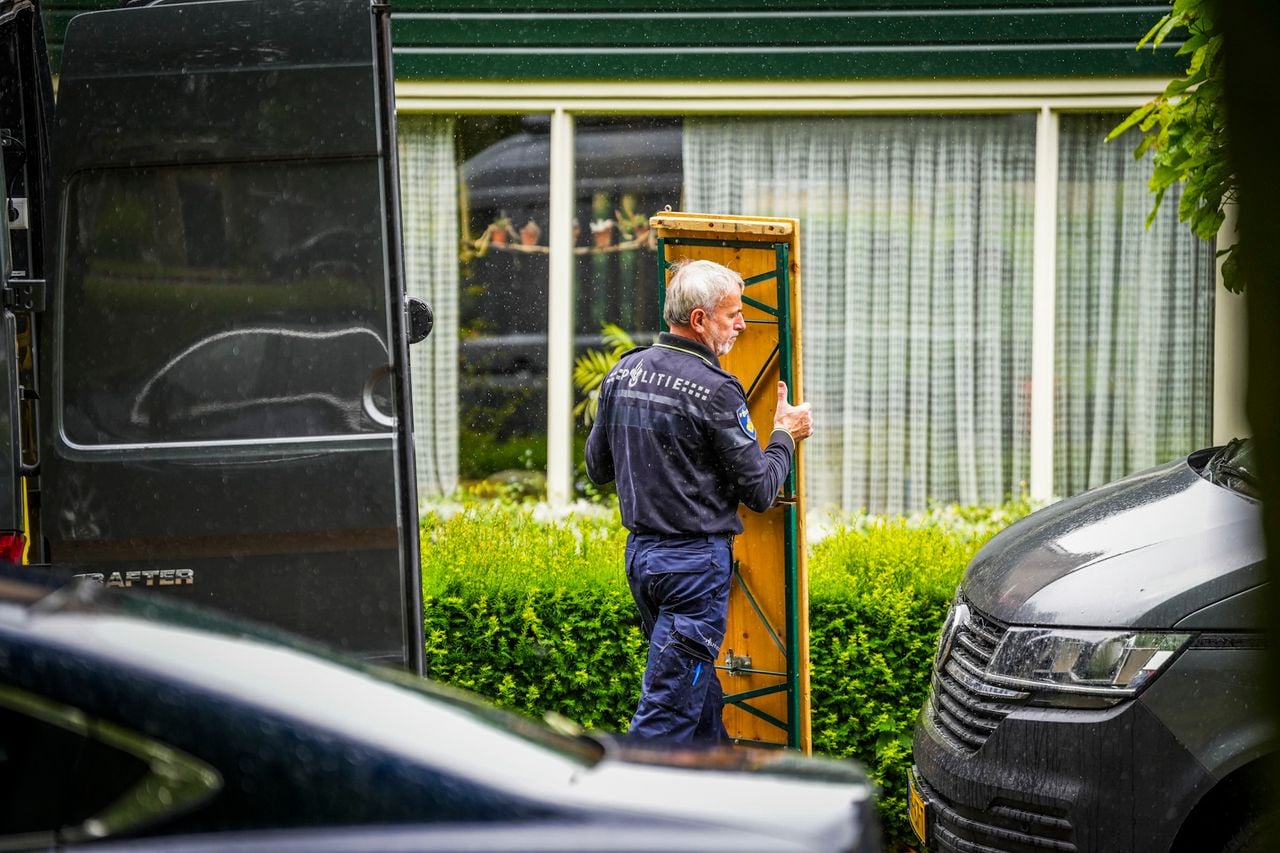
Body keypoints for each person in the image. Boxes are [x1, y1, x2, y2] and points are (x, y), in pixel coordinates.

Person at [585, 258, 814, 744]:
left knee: (695, 692)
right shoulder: (715, 389)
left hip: (643, 562)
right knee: (664, 719)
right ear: (699, 319)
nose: (742, 324)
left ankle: (723, 787)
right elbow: (760, 490)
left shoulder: (623, 372)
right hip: (693, 569)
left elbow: (599, 469)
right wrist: (784, 435)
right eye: (733, 314)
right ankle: (622, 814)